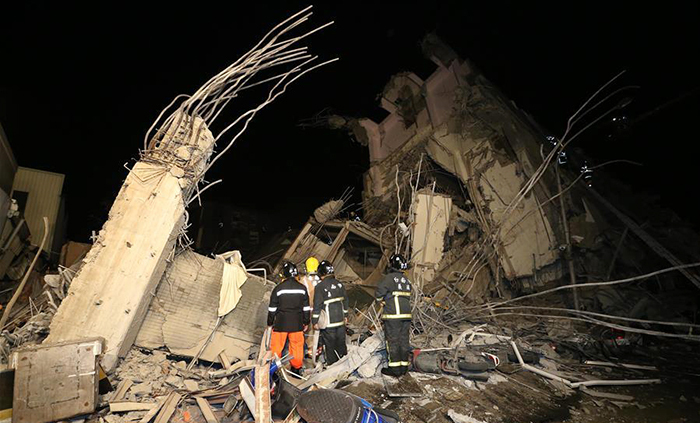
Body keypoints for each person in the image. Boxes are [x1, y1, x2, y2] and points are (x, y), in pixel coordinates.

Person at [268, 261, 311, 375]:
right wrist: (306, 322)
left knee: (276, 347)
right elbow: (306, 308)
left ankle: (274, 369)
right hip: (297, 323)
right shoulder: (302, 288)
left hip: (280, 323)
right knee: (296, 347)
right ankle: (296, 370)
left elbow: (272, 308)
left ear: (285, 274)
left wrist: (270, 322)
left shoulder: (279, 288)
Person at [375, 253, 412, 377]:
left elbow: (379, 293)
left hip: (393, 316)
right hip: (406, 315)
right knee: (403, 340)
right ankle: (403, 367)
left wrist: (381, 301)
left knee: (393, 341)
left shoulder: (389, 278)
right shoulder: (406, 280)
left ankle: (394, 369)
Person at [312, 260, 349, 365]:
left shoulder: (320, 287)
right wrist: (346, 315)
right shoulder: (339, 284)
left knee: (330, 346)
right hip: (340, 322)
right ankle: (345, 365)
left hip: (329, 324)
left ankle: (332, 366)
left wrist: (315, 321)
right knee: (341, 344)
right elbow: (345, 301)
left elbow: (317, 305)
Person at [300, 257, 321, 357]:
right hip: (319, 312)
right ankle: (316, 352)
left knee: (308, 335)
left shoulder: (303, 281)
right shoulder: (321, 281)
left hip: (307, 312)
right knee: (318, 333)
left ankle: (309, 353)